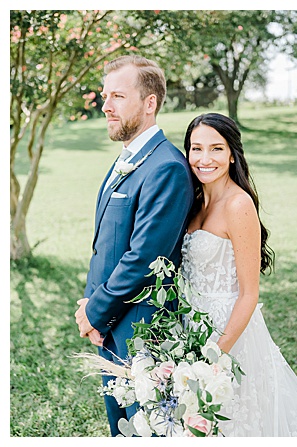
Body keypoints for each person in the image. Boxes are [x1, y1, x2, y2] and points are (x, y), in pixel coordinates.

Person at [180, 112, 297, 436]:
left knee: (232, 422)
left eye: (216, 149)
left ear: (232, 153)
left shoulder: (238, 205)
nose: (205, 158)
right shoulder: (191, 201)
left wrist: (215, 356)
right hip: (188, 325)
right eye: (196, 148)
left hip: (229, 332)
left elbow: (249, 294)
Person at [74, 55, 195, 436]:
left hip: (141, 330)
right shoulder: (127, 158)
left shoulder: (167, 167)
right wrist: (92, 306)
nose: (106, 106)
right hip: (110, 322)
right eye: (106, 95)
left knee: (147, 429)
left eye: (118, 96)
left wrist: (95, 311)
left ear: (149, 103)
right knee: (121, 428)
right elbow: (107, 245)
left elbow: (145, 258)